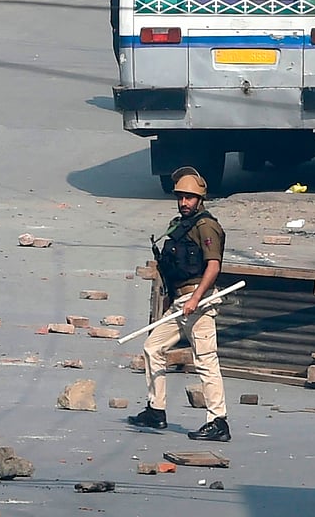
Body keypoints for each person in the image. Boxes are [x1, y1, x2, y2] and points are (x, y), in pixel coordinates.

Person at [128, 167, 231, 442]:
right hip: (180, 302)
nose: (184, 202)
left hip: (199, 303)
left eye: (190, 198)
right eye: (181, 197)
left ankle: (218, 421)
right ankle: (156, 409)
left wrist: (197, 298)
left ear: (200, 199)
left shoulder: (206, 226)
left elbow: (214, 265)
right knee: (153, 348)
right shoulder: (178, 225)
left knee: (206, 360)